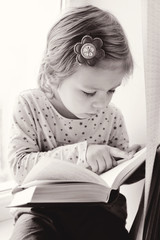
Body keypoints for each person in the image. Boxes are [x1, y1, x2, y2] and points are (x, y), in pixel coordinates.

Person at [8, 5, 141, 240]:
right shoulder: (30, 105)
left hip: (97, 210)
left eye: (111, 90)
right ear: (52, 75)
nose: (102, 103)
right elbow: (19, 168)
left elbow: (114, 180)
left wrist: (132, 163)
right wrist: (82, 154)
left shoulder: (112, 116)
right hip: (40, 212)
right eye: (89, 93)